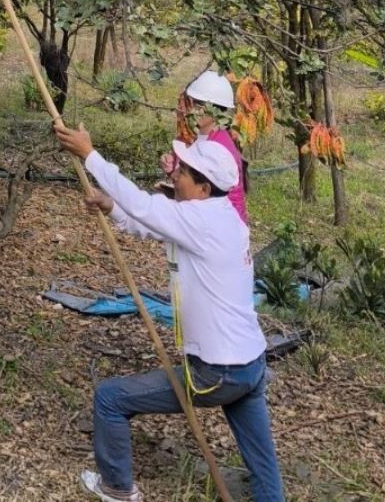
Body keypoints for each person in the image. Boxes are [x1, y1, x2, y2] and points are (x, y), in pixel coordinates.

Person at [54, 123, 285, 502]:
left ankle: (116, 488)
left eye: (183, 173)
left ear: (205, 188)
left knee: (110, 398)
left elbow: (145, 206)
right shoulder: (221, 217)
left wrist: (89, 155)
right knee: (262, 462)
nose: (174, 175)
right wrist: (111, 208)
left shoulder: (202, 220)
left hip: (219, 371)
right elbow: (149, 224)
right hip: (250, 365)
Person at [174, 69, 248, 225]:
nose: (193, 109)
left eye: (200, 104)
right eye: (192, 102)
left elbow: (207, 192)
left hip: (223, 226)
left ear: (217, 110)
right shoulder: (200, 136)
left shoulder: (219, 147)